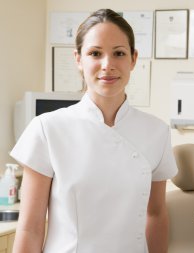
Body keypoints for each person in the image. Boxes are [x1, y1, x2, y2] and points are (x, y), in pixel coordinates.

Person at [10, 9, 178, 253]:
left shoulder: (156, 132)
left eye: (119, 53)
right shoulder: (48, 128)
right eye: (95, 53)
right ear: (79, 59)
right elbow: (31, 228)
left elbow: (156, 215)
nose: (107, 65)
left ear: (133, 58)